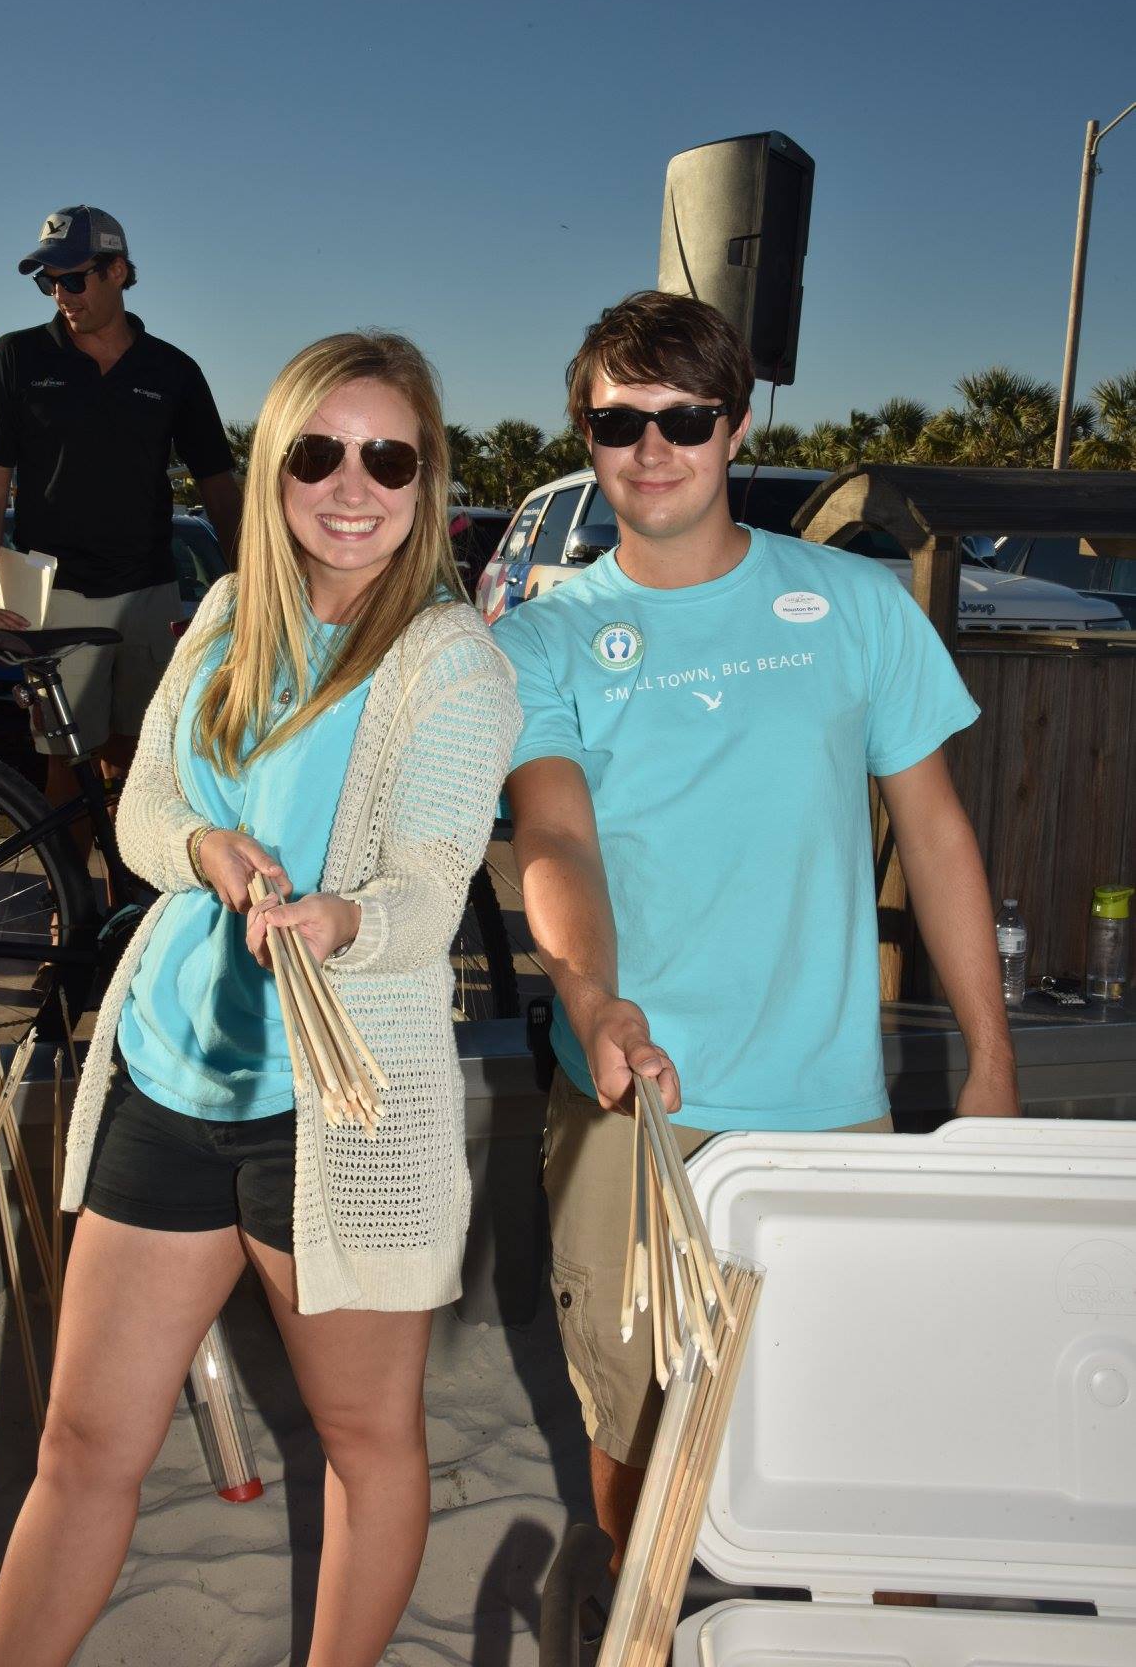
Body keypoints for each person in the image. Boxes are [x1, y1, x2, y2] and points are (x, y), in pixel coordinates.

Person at [0, 331, 520, 1667]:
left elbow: (431, 891)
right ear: (271, 469)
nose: (350, 485)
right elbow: (147, 813)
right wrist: (208, 853)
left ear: (427, 477)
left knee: (365, 1446)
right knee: (85, 1441)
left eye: (387, 456)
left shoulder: (453, 663)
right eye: (316, 452)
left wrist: (341, 919)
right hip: (170, 1070)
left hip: (334, 1105)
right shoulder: (224, 616)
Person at [495, 290, 1020, 1567]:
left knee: (841, 1431)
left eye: (685, 416)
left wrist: (991, 1064)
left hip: (824, 1103)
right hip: (633, 1101)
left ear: (735, 427)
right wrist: (590, 997)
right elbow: (553, 837)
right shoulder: (536, 638)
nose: (653, 446)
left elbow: (939, 835)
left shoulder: (855, 605)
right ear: (586, 434)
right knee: (635, 1444)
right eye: (619, 422)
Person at [0, 205, 242, 814]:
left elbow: (220, 486)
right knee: (66, 766)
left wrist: (251, 585)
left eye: (73, 278)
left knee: (139, 766)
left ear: (117, 271)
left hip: (149, 592)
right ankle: (72, 910)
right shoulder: (17, 358)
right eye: (47, 281)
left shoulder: (175, 371)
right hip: (55, 594)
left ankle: (126, 908)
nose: (59, 295)